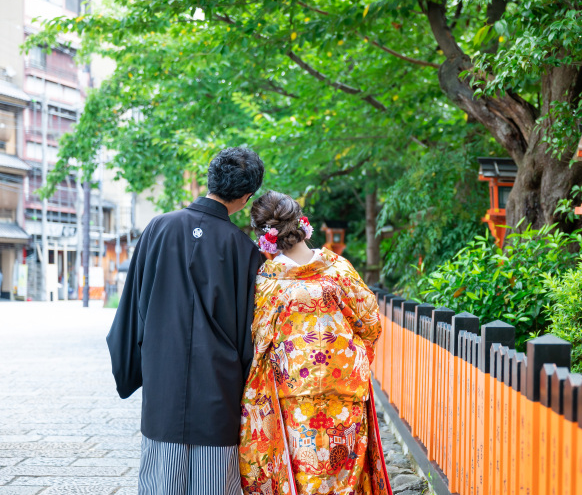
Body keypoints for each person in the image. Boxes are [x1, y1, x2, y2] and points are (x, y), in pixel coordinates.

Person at [106, 147, 265, 494]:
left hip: (164, 376)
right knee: (215, 483)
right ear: (245, 196)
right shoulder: (244, 250)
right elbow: (252, 337)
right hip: (219, 386)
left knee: (162, 481)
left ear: (210, 180)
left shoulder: (158, 228)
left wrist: (134, 367)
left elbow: (132, 309)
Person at [239, 191, 392, 495]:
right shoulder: (338, 271)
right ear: (302, 223)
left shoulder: (266, 284)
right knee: (342, 475)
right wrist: (351, 355)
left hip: (291, 398)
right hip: (344, 393)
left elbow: (256, 342)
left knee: (303, 474)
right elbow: (371, 323)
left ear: (264, 236)